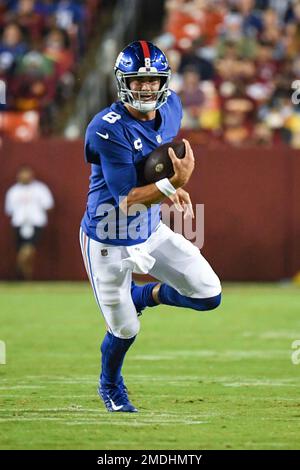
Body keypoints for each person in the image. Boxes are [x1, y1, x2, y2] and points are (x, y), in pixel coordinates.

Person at [80, 40, 222, 413]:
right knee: (126, 330)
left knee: (209, 294)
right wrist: (171, 186)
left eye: (152, 80)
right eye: (137, 81)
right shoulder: (106, 128)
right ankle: (110, 385)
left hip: (150, 230)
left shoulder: (172, 106)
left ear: (164, 81)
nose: (145, 88)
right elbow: (125, 198)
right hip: (107, 236)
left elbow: (154, 160)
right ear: (122, 81)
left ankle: (144, 296)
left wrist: (166, 192)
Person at [4, 165, 54, 280]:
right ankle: (26, 277)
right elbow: (9, 209)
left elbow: (48, 204)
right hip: (19, 223)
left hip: (36, 222)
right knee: (23, 252)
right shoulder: (13, 191)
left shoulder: (40, 189)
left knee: (28, 250)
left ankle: (19, 269)